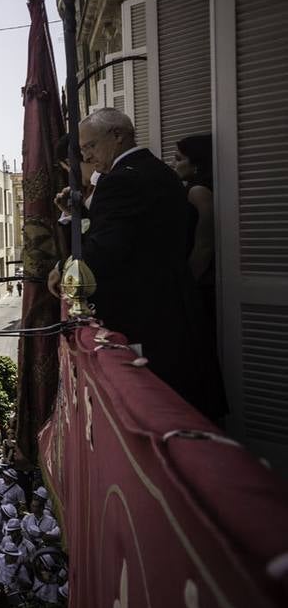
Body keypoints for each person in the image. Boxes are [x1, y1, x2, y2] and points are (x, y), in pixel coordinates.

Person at [48, 108, 225, 420]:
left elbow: (104, 251)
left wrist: (64, 270)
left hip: (146, 318)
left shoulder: (120, 182)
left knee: (155, 414)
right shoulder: (158, 172)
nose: (86, 157)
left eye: (89, 146)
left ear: (117, 136)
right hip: (174, 311)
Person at [172, 133, 217, 331]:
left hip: (203, 279)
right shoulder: (194, 188)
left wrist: (189, 282)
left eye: (179, 159)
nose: (174, 164)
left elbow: (205, 244)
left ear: (196, 163)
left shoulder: (198, 191)